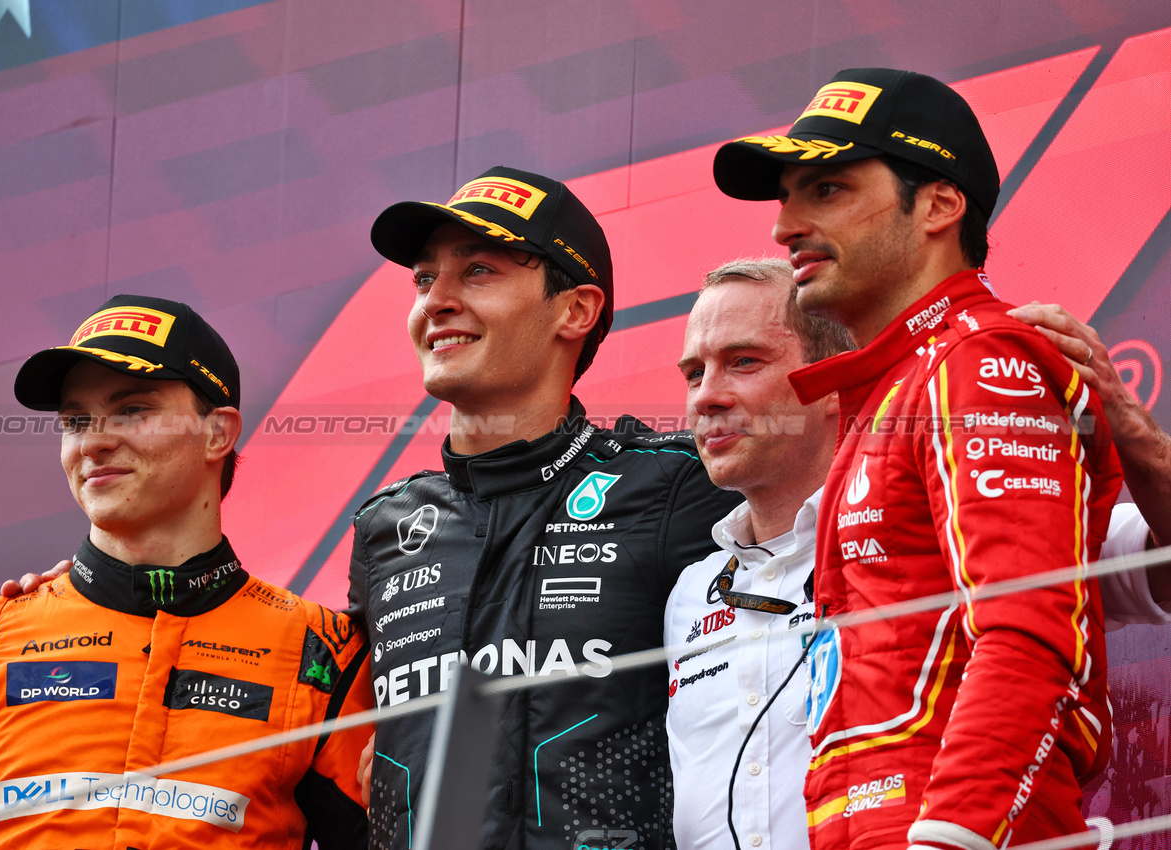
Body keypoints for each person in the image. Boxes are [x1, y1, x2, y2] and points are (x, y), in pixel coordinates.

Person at [712, 68, 1126, 850]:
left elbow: (1031, 633)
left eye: (826, 190)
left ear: (938, 204)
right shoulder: (899, 384)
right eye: (786, 197)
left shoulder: (981, 360)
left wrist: (953, 836)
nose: (784, 226)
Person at [665, 261, 1171, 850]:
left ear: (832, 381)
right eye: (693, 373)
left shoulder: (956, 516)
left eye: (743, 361)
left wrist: (1134, 430)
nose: (706, 397)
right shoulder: (689, 592)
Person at [350, 166, 743, 850]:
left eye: (477, 272)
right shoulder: (385, 527)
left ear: (576, 310)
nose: (435, 300)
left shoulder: (675, 484)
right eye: (422, 278)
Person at [0, 296, 373, 849]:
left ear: (217, 433)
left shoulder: (322, 653)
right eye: (76, 420)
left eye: (132, 410)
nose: (94, 441)